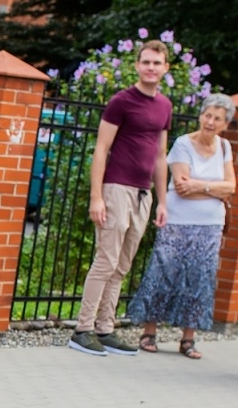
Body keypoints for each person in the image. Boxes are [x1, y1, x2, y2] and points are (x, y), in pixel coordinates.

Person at [68, 41, 172, 356]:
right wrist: (96, 197)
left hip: (144, 195)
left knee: (122, 265)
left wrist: (163, 201)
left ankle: (105, 328)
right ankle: (82, 329)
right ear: (137, 66)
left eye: (157, 63)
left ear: (165, 68)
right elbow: (101, 149)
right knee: (106, 260)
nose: (151, 67)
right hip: (116, 188)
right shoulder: (121, 102)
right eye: (146, 62)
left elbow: (161, 156)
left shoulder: (164, 106)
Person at [125, 94, 238, 358]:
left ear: (225, 124)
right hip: (178, 220)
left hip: (210, 224)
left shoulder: (224, 148)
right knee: (164, 272)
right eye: (207, 115)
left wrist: (203, 186)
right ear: (200, 116)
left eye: (217, 118)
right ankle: (149, 332)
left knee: (200, 277)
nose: (210, 122)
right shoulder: (183, 144)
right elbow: (181, 187)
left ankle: (188, 339)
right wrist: (215, 189)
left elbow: (231, 187)